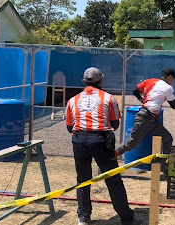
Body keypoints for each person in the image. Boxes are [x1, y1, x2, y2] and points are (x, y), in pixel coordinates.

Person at [66, 67, 134, 225]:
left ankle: (83, 216)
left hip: (78, 139)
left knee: (83, 179)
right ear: (101, 81)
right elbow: (115, 123)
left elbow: (70, 127)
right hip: (100, 139)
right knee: (113, 179)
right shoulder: (109, 98)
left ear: (84, 82)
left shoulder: (72, 100)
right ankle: (126, 217)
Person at [116, 67, 175, 164]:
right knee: (129, 145)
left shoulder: (149, 81)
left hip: (149, 119)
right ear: (170, 77)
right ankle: (109, 157)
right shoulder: (167, 88)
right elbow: (174, 105)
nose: (173, 81)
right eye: (173, 79)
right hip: (146, 119)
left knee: (167, 138)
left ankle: (164, 166)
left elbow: (135, 91)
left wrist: (142, 101)